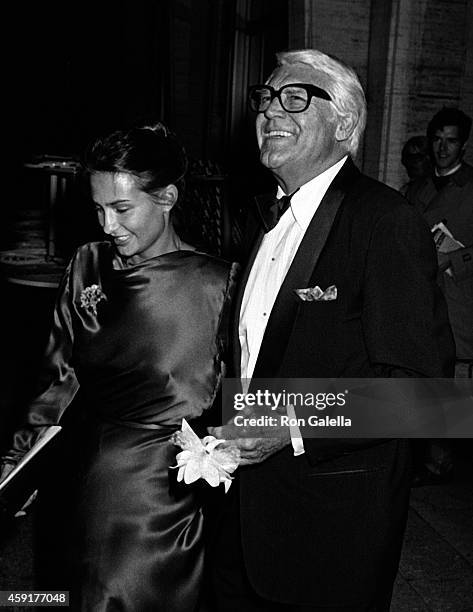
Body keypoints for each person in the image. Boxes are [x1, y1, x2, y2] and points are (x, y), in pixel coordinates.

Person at [209, 49, 454, 611]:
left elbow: (427, 393)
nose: (271, 111)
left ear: (344, 125)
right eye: (266, 97)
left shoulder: (386, 221)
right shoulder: (263, 219)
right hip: (240, 516)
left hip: (327, 528)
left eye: (296, 98)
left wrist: (289, 423)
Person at [0, 122, 237, 611]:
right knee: (56, 598)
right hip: (80, 484)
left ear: (167, 197)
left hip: (163, 499)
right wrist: (11, 470)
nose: (107, 225)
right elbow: (56, 383)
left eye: (122, 208)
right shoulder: (88, 264)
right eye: (98, 208)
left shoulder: (221, 284)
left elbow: (240, 393)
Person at [406, 108, 473, 484]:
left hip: (459, 299)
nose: (442, 148)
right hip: (424, 298)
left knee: (456, 381)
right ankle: (429, 456)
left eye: (451, 140)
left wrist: (457, 258)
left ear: (463, 144)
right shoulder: (418, 189)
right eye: (437, 139)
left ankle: (445, 459)